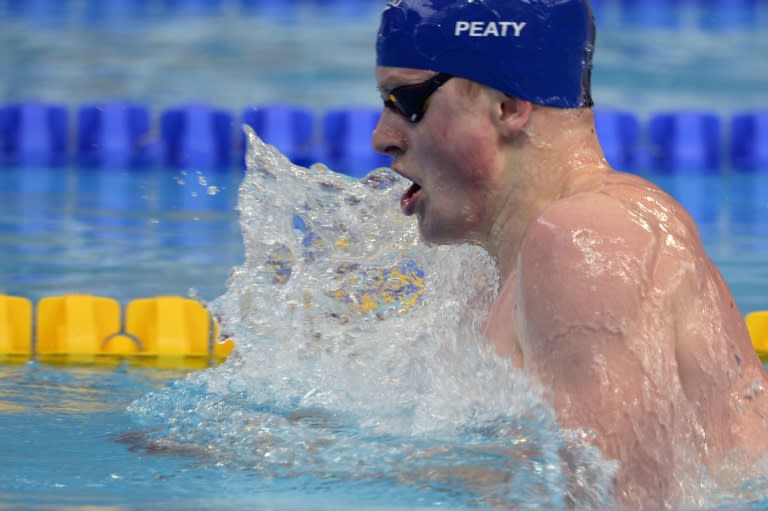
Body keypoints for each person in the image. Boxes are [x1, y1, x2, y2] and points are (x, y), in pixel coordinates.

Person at [371, 0, 768, 508]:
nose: (381, 138)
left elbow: (626, 500)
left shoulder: (587, 238)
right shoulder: (492, 263)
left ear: (508, 107)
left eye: (404, 102)